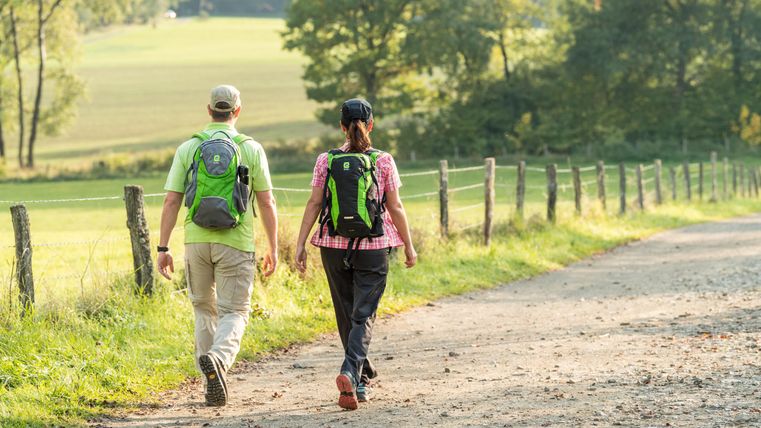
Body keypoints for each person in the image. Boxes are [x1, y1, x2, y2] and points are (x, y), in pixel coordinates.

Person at [156, 84, 278, 407]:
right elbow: (266, 202)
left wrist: (162, 247)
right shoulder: (251, 148)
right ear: (237, 111)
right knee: (235, 311)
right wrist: (274, 247)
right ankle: (219, 361)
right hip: (236, 242)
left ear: (209, 110)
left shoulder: (188, 148)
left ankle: (208, 378)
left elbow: (171, 201)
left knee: (202, 309)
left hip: (196, 241)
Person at [295, 98, 417, 410]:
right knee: (364, 314)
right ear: (371, 124)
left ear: (341, 127)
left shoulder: (326, 160)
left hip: (332, 246)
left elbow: (314, 203)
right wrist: (409, 245)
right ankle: (352, 372)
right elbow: (395, 206)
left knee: (346, 311)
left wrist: (300, 244)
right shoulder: (383, 161)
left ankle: (360, 378)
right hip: (374, 246)